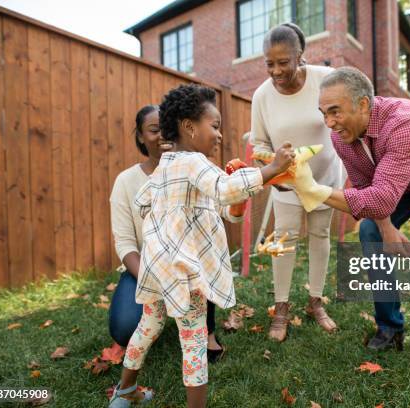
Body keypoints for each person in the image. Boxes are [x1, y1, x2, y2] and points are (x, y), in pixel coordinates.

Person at [108, 84, 295, 408]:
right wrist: (272, 169)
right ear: (189, 127)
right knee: (194, 343)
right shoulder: (194, 163)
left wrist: (229, 201)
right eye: (215, 125)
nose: (220, 135)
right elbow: (224, 190)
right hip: (183, 271)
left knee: (147, 327)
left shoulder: (167, 165)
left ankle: (124, 392)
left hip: (156, 269)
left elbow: (147, 201)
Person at [292, 66, 410, 350]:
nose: (329, 123)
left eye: (335, 111)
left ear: (363, 104)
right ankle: (389, 325)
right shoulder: (341, 137)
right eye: (324, 114)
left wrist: (314, 191)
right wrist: (386, 228)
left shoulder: (406, 122)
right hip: (403, 187)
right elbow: (366, 190)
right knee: (370, 232)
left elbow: (380, 198)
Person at [108, 105, 225, 362]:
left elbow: (220, 215)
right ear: (140, 136)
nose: (162, 134)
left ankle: (207, 332)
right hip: (146, 266)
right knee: (123, 328)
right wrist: (157, 280)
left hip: (191, 265)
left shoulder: (197, 170)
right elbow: (125, 243)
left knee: (201, 263)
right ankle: (160, 315)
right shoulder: (126, 182)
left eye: (167, 128)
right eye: (153, 130)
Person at [250, 23, 344, 342]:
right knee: (284, 243)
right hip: (286, 184)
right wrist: (273, 169)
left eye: (283, 62)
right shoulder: (262, 96)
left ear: (299, 56)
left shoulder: (324, 80)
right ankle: (282, 309)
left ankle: (315, 303)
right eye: (269, 63)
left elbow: (342, 116)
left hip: (324, 180)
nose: (276, 71)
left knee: (320, 235)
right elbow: (259, 145)